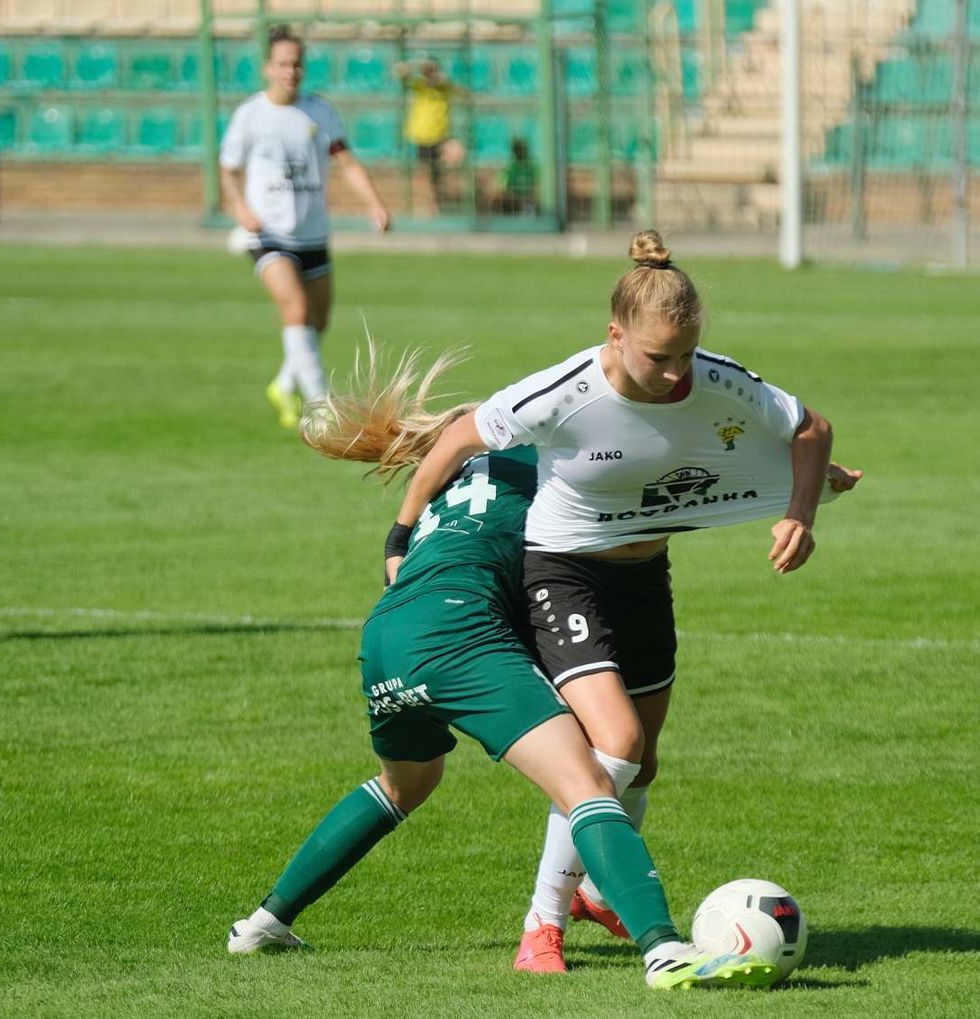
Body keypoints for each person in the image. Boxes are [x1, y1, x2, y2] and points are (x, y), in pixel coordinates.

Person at [226, 345, 790, 990]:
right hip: (460, 637)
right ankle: (662, 948)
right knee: (592, 779)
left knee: (403, 785)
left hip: (385, 634)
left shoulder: (460, 481)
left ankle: (263, 922)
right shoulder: (559, 472)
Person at [385, 230, 861, 967]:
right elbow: (456, 439)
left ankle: (592, 890)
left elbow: (810, 428)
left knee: (645, 764)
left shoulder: (714, 378)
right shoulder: (562, 394)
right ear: (615, 335)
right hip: (563, 573)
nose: (677, 375)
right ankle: (542, 923)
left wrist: (799, 511)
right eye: (658, 357)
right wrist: (400, 532)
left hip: (645, 577)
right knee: (616, 744)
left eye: (686, 355)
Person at [220, 26, 391, 430]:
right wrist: (240, 208)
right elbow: (228, 170)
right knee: (295, 310)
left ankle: (283, 384)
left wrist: (375, 204)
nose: (290, 71)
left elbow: (346, 162)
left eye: (297, 64)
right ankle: (319, 409)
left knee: (318, 322)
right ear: (267, 68)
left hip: (313, 233)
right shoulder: (250, 115)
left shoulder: (320, 112)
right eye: (282, 64)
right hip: (267, 234)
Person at [394, 58, 464, 214]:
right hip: (422, 137)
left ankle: (445, 198)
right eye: (427, 71)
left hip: (440, 136)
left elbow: (463, 92)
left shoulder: (444, 88)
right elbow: (399, 72)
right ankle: (431, 203)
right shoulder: (420, 86)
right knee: (426, 173)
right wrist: (413, 65)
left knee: (452, 158)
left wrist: (444, 80)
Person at [495, 136, 539, 216]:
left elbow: (535, 187)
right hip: (515, 201)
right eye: (517, 150)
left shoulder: (530, 167)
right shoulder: (511, 168)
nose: (520, 152)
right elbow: (504, 188)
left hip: (527, 201)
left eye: (520, 150)